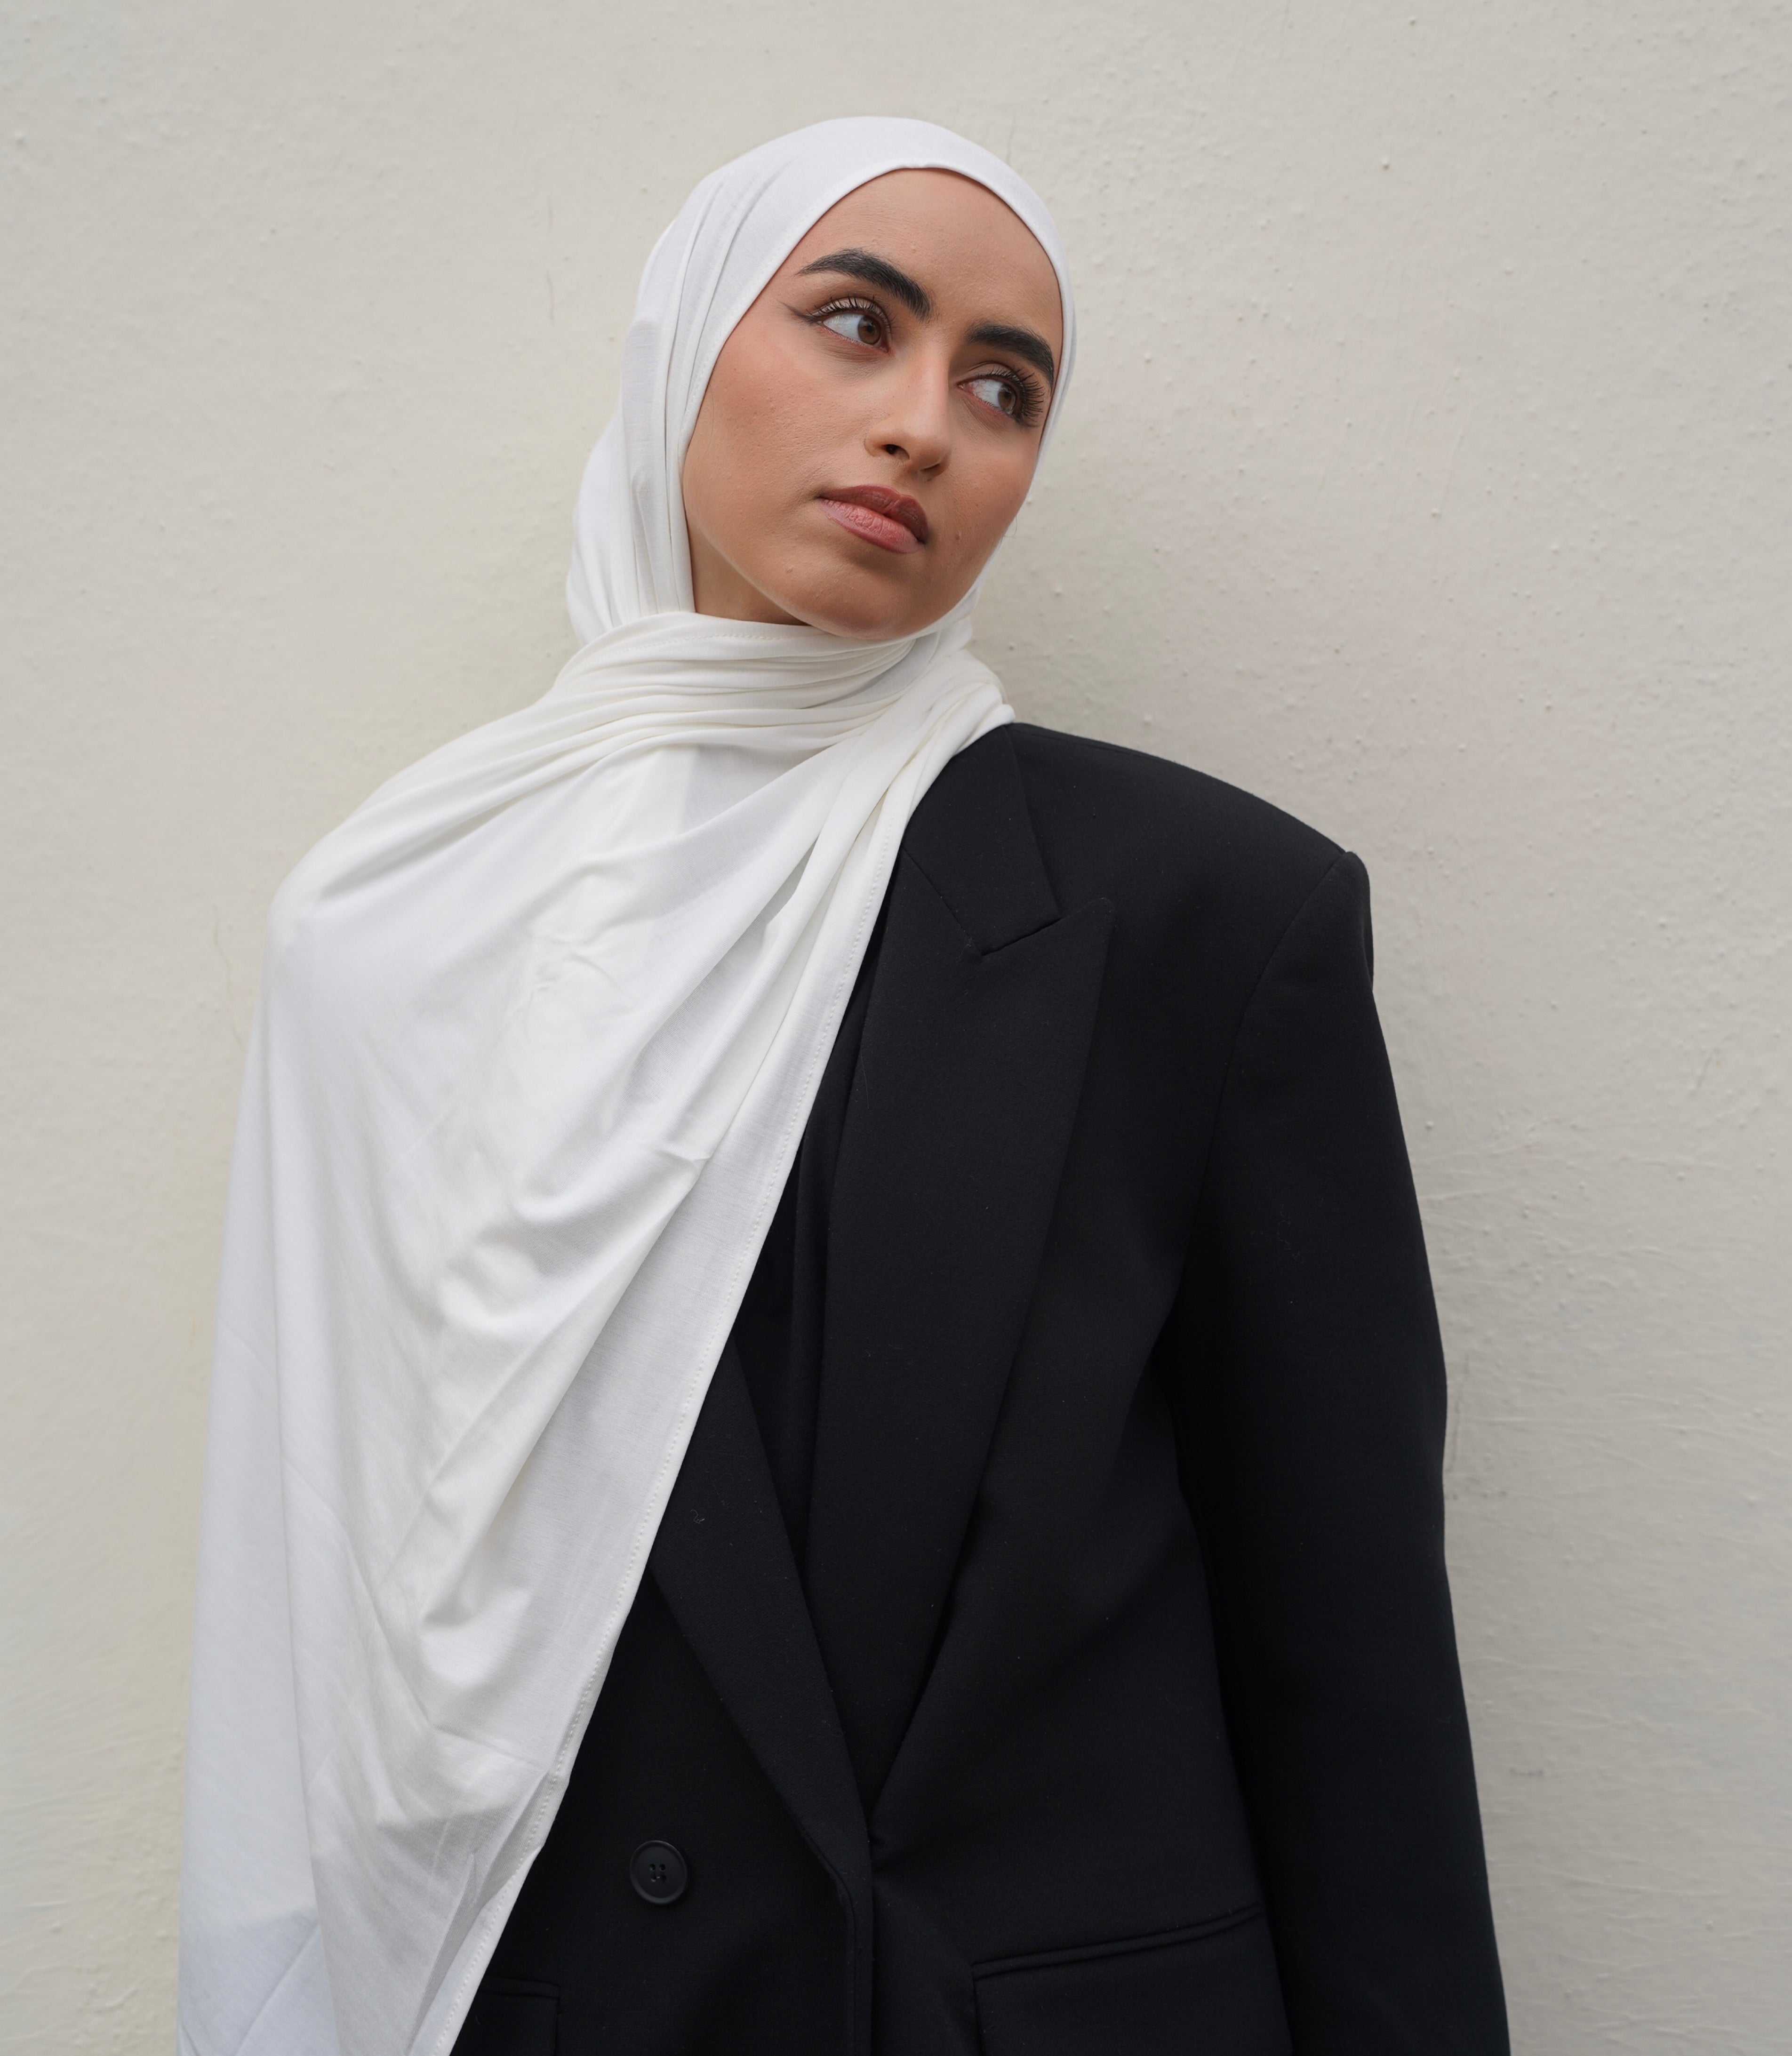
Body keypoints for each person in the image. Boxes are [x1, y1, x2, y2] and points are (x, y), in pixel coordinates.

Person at [178, 120, 1508, 2056]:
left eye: (1004, 387)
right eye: (856, 322)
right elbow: (310, 1582)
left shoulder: (1204, 922)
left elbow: (1349, 1663)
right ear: (685, 343)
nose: (924, 425)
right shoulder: (393, 927)